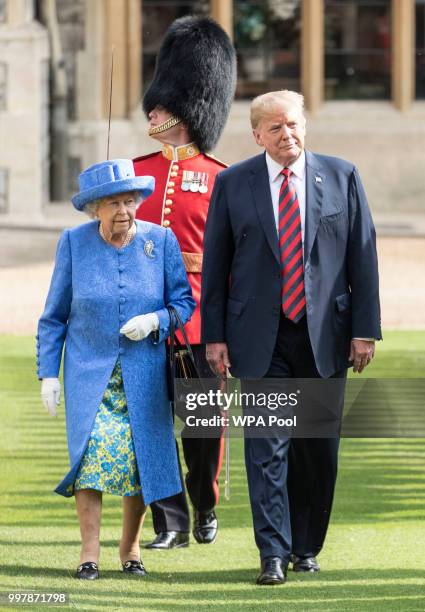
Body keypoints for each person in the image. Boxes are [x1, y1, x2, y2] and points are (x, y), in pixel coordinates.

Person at [201, 90, 381, 585]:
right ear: (257, 135)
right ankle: (272, 554)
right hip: (261, 339)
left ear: (306, 125)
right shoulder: (234, 184)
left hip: (326, 337)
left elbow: (362, 258)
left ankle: (306, 547)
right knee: (267, 447)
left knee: (316, 448)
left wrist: (365, 330)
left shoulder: (343, 176)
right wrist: (213, 336)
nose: (288, 135)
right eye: (276, 128)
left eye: (294, 124)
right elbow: (215, 268)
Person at [37, 159, 195, 579]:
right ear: (95, 209)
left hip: (143, 375)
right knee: (90, 459)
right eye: (113, 203)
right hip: (90, 374)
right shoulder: (74, 242)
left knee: (139, 460)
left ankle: (131, 550)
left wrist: (154, 321)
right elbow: (53, 317)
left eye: (130, 200)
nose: (124, 210)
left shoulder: (161, 241)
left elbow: (183, 304)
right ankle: (90, 553)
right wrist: (49, 374)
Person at [133, 16, 236, 549]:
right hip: (144, 320)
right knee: (150, 428)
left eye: (163, 103)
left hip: (197, 322)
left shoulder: (223, 178)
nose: (153, 110)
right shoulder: (132, 172)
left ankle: (206, 504)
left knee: (202, 427)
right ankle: (168, 522)